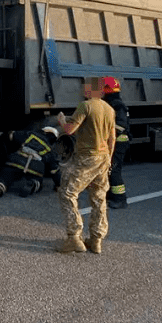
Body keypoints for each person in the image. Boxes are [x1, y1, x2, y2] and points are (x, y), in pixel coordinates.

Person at [55, 80, 117, 254]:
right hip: (103, 157)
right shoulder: (109, 109)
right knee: (98, 197)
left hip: (86, 157)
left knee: (67, 193)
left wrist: (61, 120)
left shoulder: (85, 106)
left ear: (90, 91)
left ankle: (74, 237)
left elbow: (70, 130)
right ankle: (96, 240)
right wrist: (108, 160)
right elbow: (112, 138)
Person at [0, 126, 62, 199]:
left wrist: (1, 136)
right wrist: (58, 184)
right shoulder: (50, 150)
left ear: (43, 131)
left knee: (5, 175)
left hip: (17, 161)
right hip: (35, 167)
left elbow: (10, 136)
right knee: (38, 181)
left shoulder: (30, 134)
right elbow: (54, 171)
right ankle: (33, 184)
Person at [101, 76, 130, 209]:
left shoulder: (117, 105)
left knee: (114, 170)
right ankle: (111, 195)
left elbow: (120, 126)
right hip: (112, 142)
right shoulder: (111, 104)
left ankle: (120, 199)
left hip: (118, 143)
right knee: (108, 169)